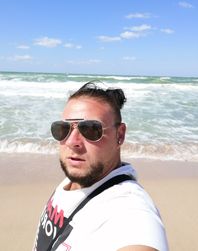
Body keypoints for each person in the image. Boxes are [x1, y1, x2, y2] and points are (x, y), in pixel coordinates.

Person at [33, 82, 168, 251]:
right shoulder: (77, 177)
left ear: (120, 135)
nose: (71, 141)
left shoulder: (128, 207)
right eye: (63, 129)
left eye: (90, 130)